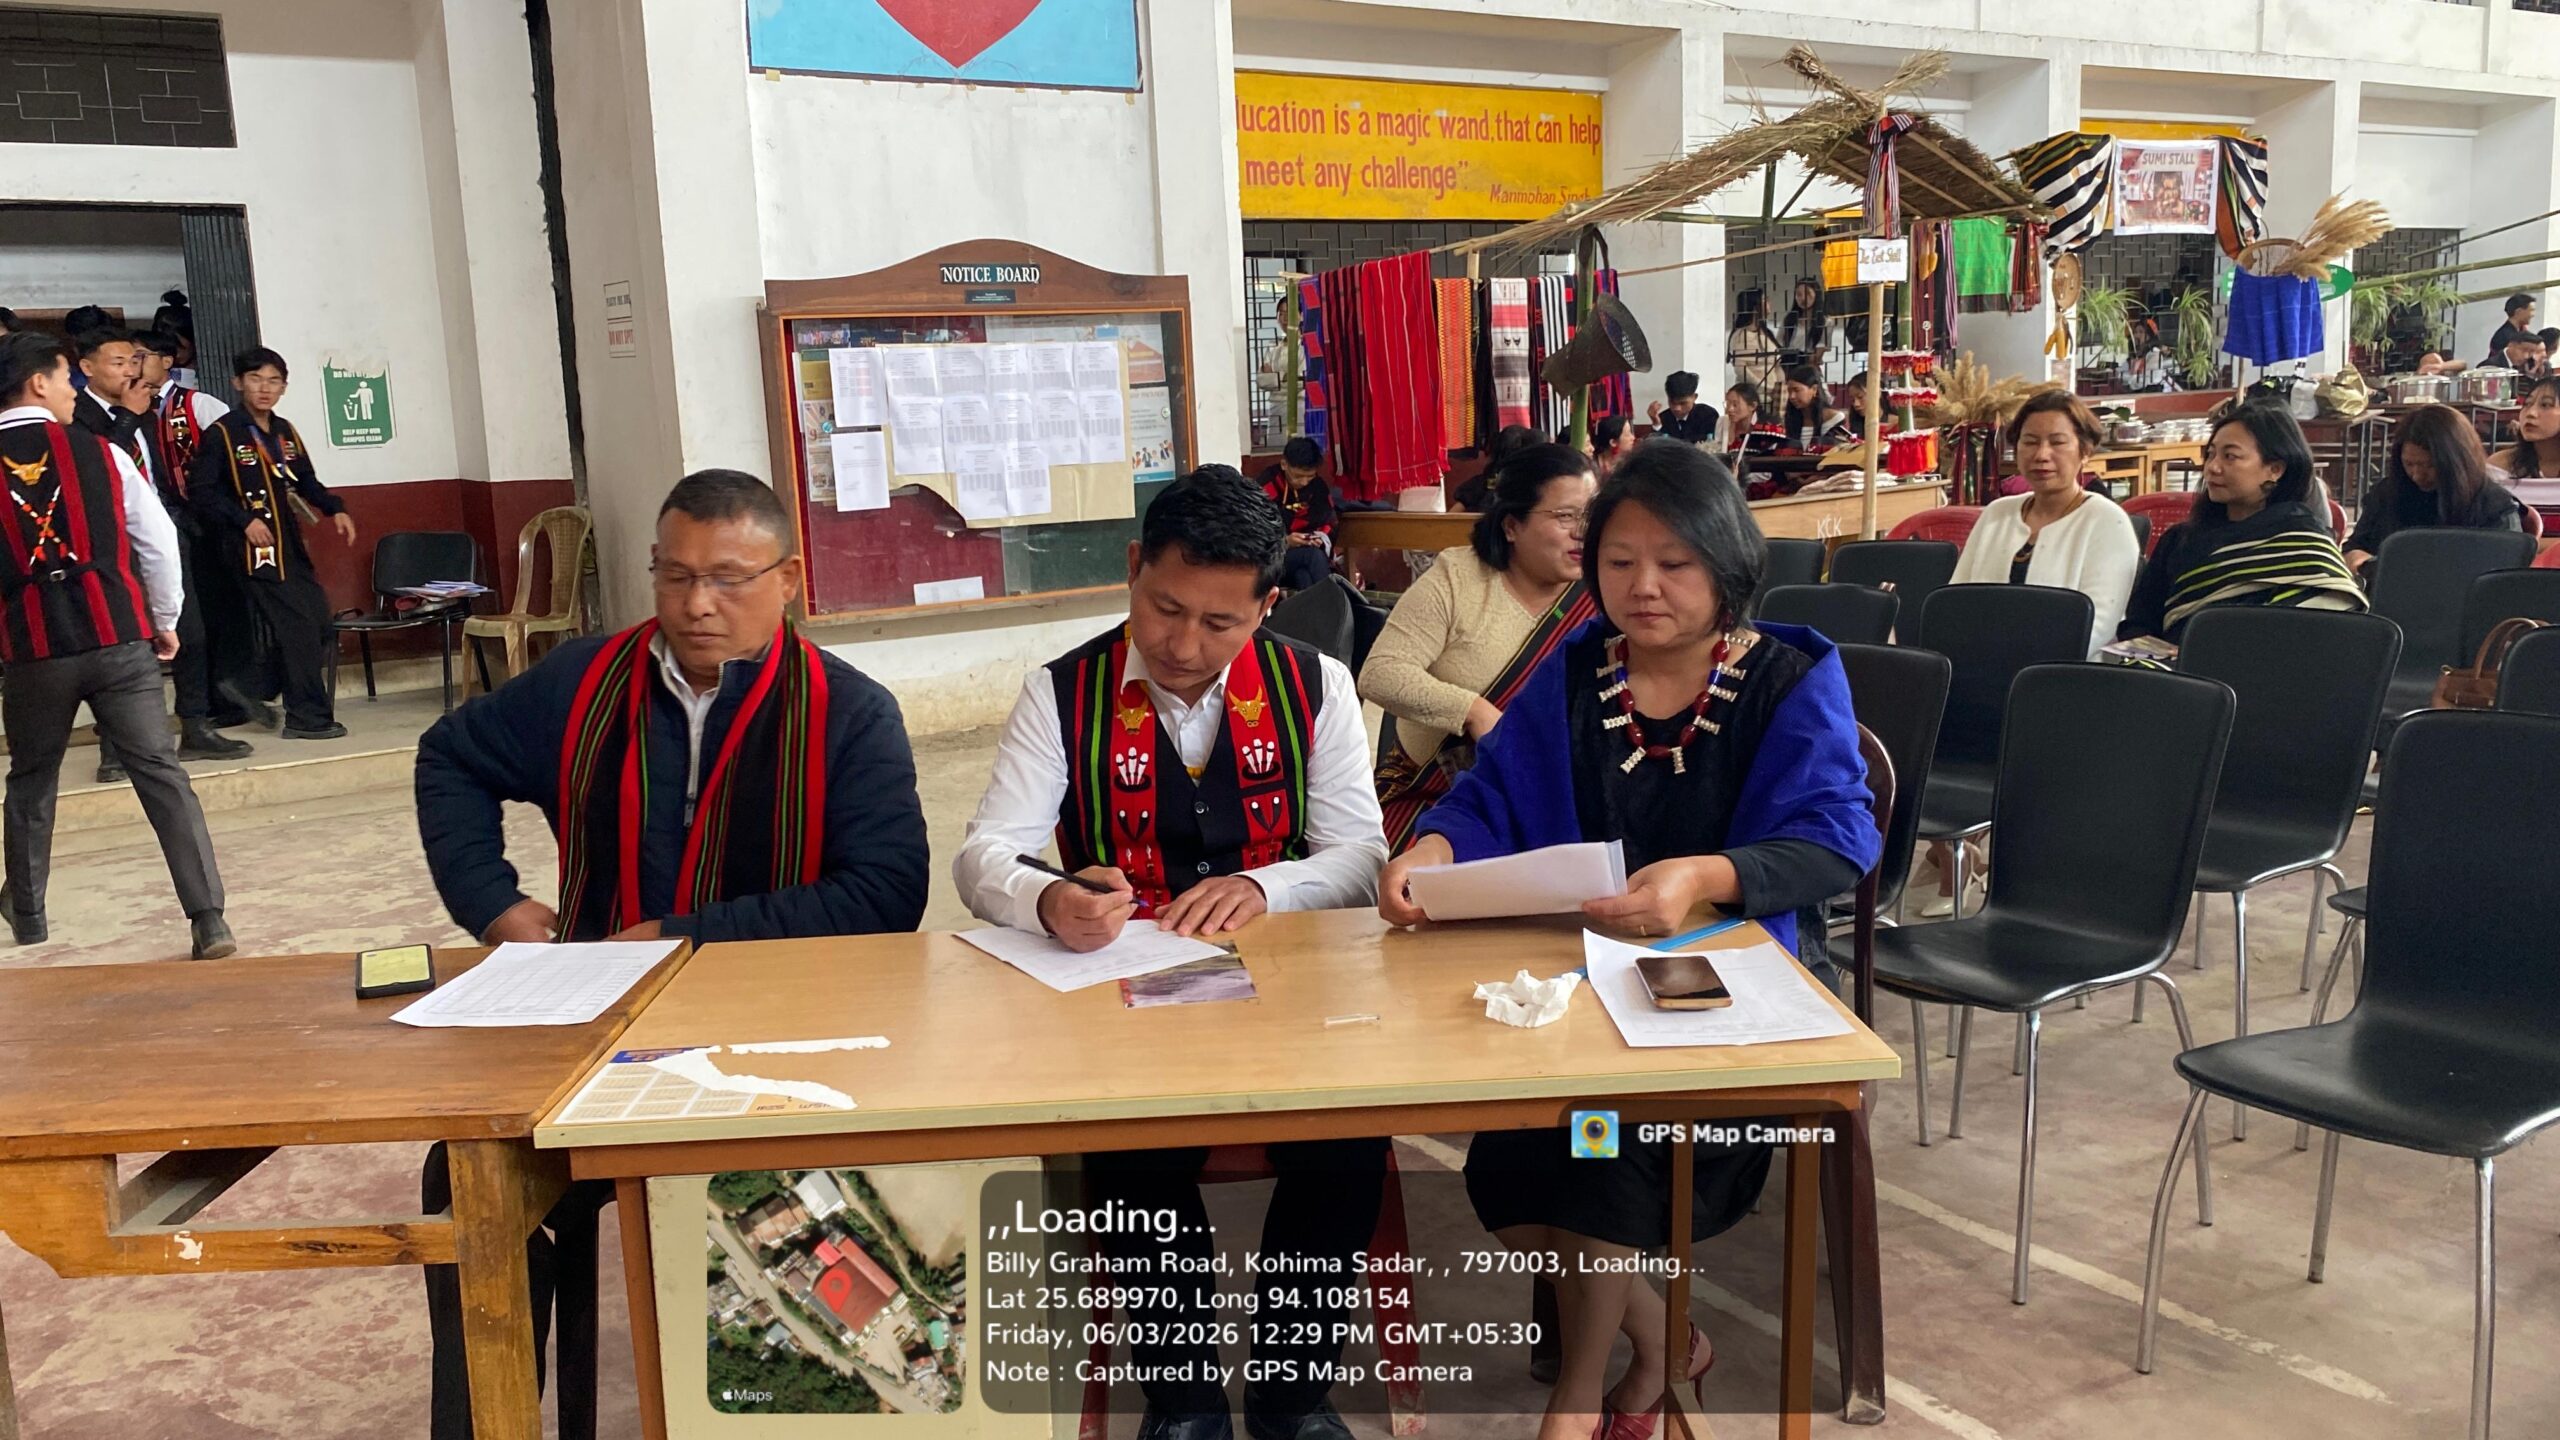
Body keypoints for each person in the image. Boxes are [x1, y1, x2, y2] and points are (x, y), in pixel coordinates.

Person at [412, 468, 929, 1439]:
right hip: (599, 1031)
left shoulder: (846, 712)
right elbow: (452, 757)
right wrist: (493, 904)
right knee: (470, 1175)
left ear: (787, 579)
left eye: (729, 579)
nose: (698, 605)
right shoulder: (584, 682)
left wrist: (685, 938)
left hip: (781, 1046)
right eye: (676, 575)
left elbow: (887, 893)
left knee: (802, 1215)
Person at [1377, 443, 1878, 1440]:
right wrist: (1430, 847)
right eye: (1618, 561)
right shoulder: (1574, 674)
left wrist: (1703, 877)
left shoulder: (1788, 679)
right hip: (1581, 991)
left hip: (1731, 1000)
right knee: (1505, 1179)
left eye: (1675, 563)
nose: (1643, 586)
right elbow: (1489, 797)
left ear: (1727, 565)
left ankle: (1577, 1406)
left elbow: (1838, 835)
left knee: (1596, 1154)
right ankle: (1663, 1341)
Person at [953, 466, 1387, 1440]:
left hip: (1289, 992)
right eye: (1163, 608)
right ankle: (1183, 1404)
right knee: (1132, 1150)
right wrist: (1049, 897)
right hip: (1125, 990)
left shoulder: (1315, 685)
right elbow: (984, 856)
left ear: (1266, 607)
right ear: (1132, 568)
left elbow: (1362, 856)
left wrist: (1267, 888)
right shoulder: (1061, 692)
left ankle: (1291, 1398)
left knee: (1349, 1142)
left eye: (1219, 623)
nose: (1183, 645)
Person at [0, 332, 233, 959]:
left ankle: (29, 915)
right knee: (161, 773)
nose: (74, 391)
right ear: (37, 383)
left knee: (31, 780)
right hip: (119, 638)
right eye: (64, 378)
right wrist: (164, 618)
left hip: (32, 650)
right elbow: (155, 540)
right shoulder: (103, 452)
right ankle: (208, 918)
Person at [1362, 443, 1598, 852]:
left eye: (1591, 514)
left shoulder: (1602, 591)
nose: (1583, 531)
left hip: (1561, 802)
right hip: (1438, 796)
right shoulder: (1458, 580)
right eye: (1565, 516)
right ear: (1511, 526)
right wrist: (1473, 711)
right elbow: (1380, 672)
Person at [188, 348, 356, 740]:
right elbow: (202, 492)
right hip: (251, 550)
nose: (264, 389)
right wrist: (243, 520)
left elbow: (305, 479)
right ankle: (307, 716)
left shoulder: (284, 432)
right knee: (298, 626)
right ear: (238, 383)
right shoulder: (223, 433)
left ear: (284, 387)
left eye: (273, 381)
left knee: (320, 623)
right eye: (255, 379)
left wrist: (334, 508)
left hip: (288, 544)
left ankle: (250, 684)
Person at [2119, 402, 2367, 644]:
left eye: (2230, 456)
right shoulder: (2180, 540)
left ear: (2275, 469)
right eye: (2211, 454)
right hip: (2174, 669)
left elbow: (2322, 636)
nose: (2212, 467)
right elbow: (2139, 625)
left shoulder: (2306, 544)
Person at [133, 328, 257, 749]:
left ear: (166, 361)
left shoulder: (198, 405)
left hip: (205, 526)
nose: (135, 366)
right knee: (181, 621)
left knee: (216, 615)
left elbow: (236, 460)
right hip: (160, 530)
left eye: (142, 356)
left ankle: (226, 702)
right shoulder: (130, 415)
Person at [1954, 390, 2142, 654]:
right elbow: (1955, 603)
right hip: (1978, 663)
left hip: (2064, 670)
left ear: (2085, 451)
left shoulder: (2108, 522)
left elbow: (2097, 627)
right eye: (2030, 442)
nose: (2042, 455)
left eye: (2057, 442)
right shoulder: (1996, 514)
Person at [2345, 403, 2522, 576]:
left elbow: (2506, 572)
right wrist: (2355, 557)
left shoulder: (2495, 507)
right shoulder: (2387, 494)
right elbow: (2356, 545)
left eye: (2430, 465)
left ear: (2457, 462)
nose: (2417, 475)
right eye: (2409, 464)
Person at [1257, 436, 1336, 591]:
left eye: (1310, 476)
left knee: (1304, 576)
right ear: (1284, 464)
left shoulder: (1318, 487)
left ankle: (1318, 607)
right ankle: (1334, 603)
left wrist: (1318, 538)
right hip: (1271, 561)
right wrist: (1285, 542)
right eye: (1298, 476)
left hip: (1303, 559)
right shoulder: (1266, 486)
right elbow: (1255, 533)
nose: (1304, 482)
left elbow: (1329, 521)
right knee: (1312, 557)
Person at [1726, 290, 1784, 398]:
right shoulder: (1741, 336)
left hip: (1774, 394)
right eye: (1765, 300)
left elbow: (1777, 366)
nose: (1769, 303)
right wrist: (1766, 388)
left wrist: (1781, 387)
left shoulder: (1767, 333)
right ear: (1754, 306)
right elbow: (1742, 370)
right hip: (1754, 394)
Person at [1778, 365, 1849, 451]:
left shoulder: (1835, 418)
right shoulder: (1791, 418)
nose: (1791, 396)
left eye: (1797, 390)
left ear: (1814, 389)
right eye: (1789, 391)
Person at [1645, 370, 1718, 446]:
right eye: (1672, 402)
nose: (1677, 408)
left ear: (1694, 397)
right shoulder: (1663, 418)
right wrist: (1656, 424)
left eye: (1683, 403)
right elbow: (1655, 447)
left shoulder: (1707, 415)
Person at [1777, 277, 1827, 368]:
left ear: (1816, 295)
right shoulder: (1789, 319)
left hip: (1809, 365)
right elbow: (1778, 344)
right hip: (1787, 363)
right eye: (1799, 294)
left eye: (1808, 293)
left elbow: (1821, 348)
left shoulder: (1825, 321)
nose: (1803, 298)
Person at [2485, 293, 2537, 364]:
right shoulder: (2503, 336)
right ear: (2518, 311)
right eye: (2531, 310)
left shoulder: (2522, 331)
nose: (2533, 315)